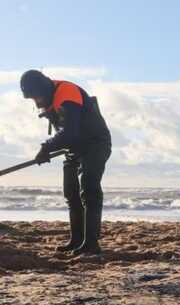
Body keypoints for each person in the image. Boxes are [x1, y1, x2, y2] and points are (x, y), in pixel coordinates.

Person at [20, 70, 112, 255]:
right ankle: (77, 241)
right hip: (74, 149)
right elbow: (67, 136)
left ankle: (91, 244)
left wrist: (46, 147)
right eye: (32, 99)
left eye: (36, 97)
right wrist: (50, 148)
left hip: (95, 144)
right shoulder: (49, 99)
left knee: (89, 189)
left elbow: (70, 132)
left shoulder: (67, 92)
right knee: (71, 192)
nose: (36, 103)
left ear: (44, 88)